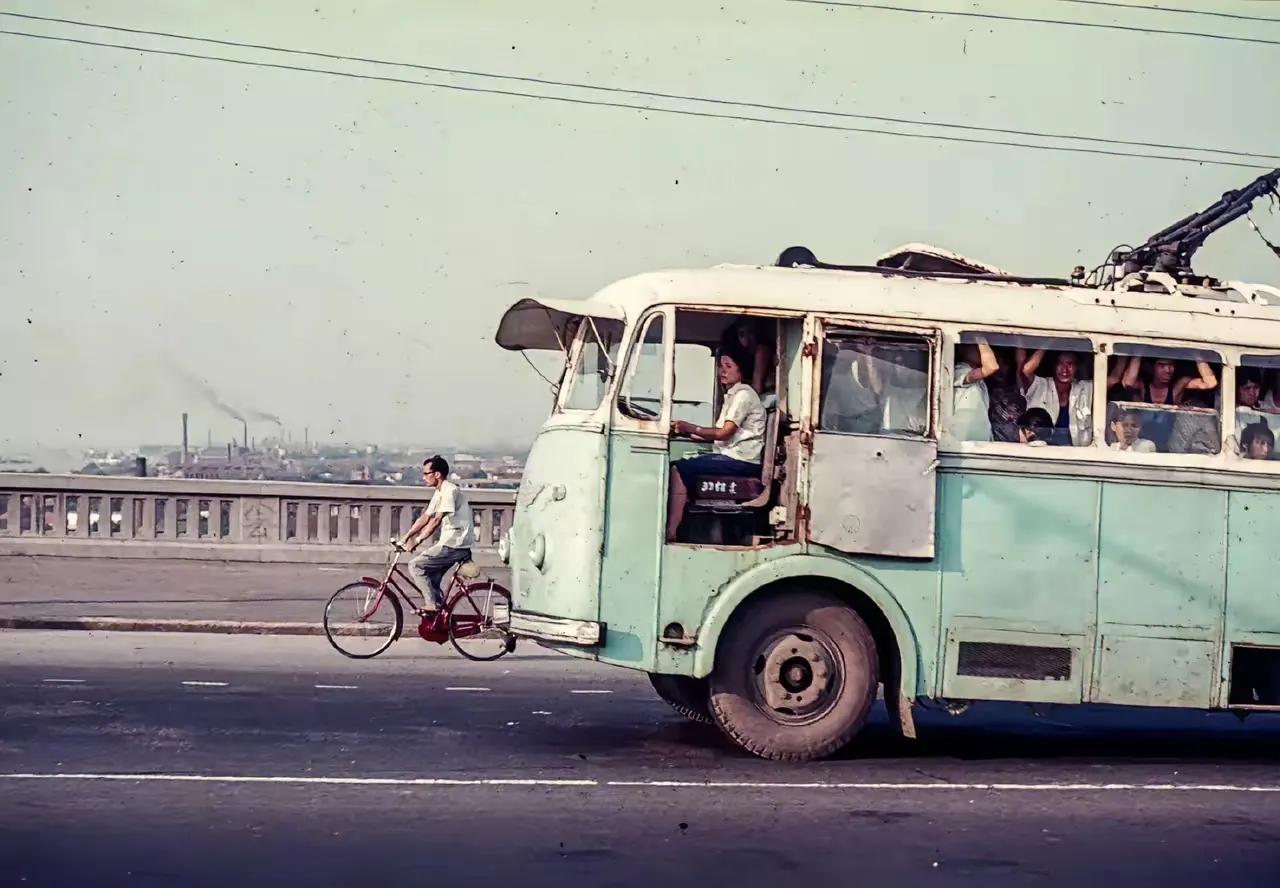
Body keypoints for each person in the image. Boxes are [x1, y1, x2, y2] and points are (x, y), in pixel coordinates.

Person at [666, 348, 765, 542]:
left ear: (741, 371)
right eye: (721, 366)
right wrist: (686, 432)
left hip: (742, 460)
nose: (723, 371)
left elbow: (724, 432)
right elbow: (720, 436)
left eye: (728, 367)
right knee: (682, 463)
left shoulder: (744, 395)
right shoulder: (732, 396)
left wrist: (691, 426)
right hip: (730, 455)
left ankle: (672, 531)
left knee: (679, 469)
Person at [399, 455, 475, 613]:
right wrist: (406, 537)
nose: (423, 477)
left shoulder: (449, 490)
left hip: (455, 544)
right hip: (450, 543)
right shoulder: (439, 492)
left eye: (426, 473)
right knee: (431, 581)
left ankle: (432, 606)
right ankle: (442, 618)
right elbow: (425, 517)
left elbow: (436, 521)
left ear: (437, 474)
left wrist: (418, 540)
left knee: (416, 565)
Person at [1119, 355, 1218, 451]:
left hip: (1170, 447)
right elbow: (1128, 382)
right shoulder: (1142, 386)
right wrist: (1139, 352)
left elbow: (1210, 382)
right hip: (1141, 445)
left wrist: (1196, 355)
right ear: (1152, 367)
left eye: (1171, 365)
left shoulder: (1177, 386)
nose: (1168, 370)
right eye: (1161, 365)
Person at [1020, 350, 1093, 446]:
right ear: (1054, 365)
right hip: (1039, 452)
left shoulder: (1085, 389)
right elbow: (1026, 370)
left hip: (1075, 456)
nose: (1064, 369)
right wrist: (1051, 339)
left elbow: (1113, 379)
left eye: (1070, 364)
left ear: (1077, 367)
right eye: (1060, 363)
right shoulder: (1040, 385)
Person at [952, 338, 999, 441]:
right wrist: (980, 337)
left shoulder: (979, 380)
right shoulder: (960, 370)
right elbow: (991, 367)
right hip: (963, 443)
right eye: (976, 346)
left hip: (979, 442)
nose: (981, 350)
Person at [720, 318, 776, 400]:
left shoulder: (762, 349)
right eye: (742, 335)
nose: (746, 340)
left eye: (751, 333)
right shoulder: (742, 355)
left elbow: (757, 388)